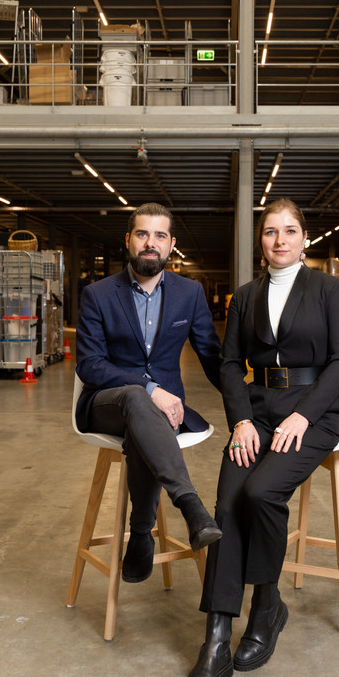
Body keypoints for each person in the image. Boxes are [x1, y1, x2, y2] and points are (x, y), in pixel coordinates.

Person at [180, 198, 339, 677]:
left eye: (290, 231)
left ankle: (265, 605)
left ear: (305, 239)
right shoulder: (245, 297)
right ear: (260, 241)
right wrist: (240, 419)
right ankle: (215, 640)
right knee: (226, 503)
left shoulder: (327, 289)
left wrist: (304, 415)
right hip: (256, 412)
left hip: (314, 412)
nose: (280, 240)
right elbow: (231, 364)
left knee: (260, 492)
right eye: (270, 232)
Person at [75, 202, 223, 585]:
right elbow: (90, 365)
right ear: (128, 240)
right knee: (139, 399)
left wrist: (248, 404)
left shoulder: (189, 294)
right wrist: (150, 388)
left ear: (171, 244)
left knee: (145, 425)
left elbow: (211, 356)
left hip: (160, 415)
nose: (150, 243)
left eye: (159, 236)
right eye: (142, 234)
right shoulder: (98, 293)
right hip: (106, 403)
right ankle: (191, 507)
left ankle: (140, 535)